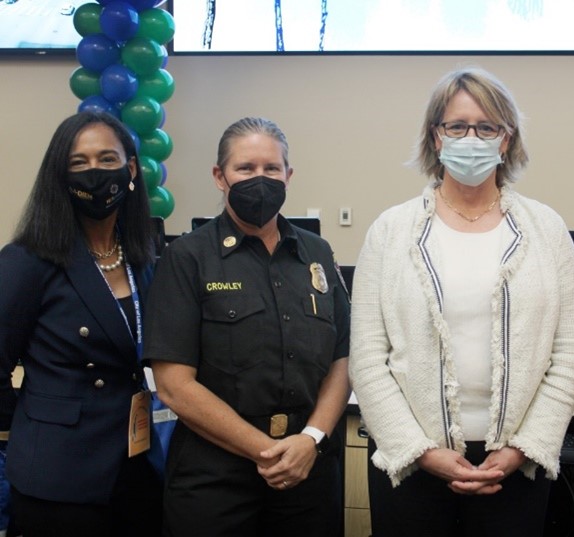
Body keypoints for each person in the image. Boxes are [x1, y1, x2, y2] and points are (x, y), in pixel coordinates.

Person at [349, 67, 574, 537]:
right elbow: (368, 360)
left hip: (513, 469)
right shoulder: (390, 232)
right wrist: (420, 451)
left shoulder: (547, 231)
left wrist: (522, 449)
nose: (471, 138)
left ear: (506, 138)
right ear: (436, 137)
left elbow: (567, 357)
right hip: (412, 466)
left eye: (487, 127)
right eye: (456, 126)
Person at [143, 117, 351, 536]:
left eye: (272, 169)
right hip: (216, 477)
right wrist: (270, 452)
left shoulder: (316, 253)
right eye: (245, 168)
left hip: (308, 471)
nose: (261, 179)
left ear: (288, 175)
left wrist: (309, 440)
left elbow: (343, 358)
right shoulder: (187, 257)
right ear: (220, 177)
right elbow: (174, 385)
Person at [0, 111, 163, 536]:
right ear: (60, 175)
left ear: (130, 170)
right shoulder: (26, 261)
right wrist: (37, 424)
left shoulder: (143, 259)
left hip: (137, 467)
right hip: (58, 478)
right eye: (79, 163)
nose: (95, 173)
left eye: (107, 159)